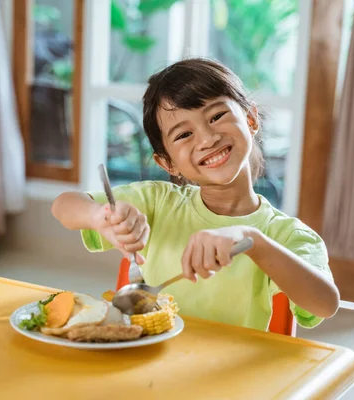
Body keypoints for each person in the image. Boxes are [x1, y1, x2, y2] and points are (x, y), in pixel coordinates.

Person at [51, 58, 339, 331]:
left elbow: (325, 304)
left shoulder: (286, 235)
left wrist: (255, 242)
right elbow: (64, 206)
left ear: (250, 119)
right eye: (183, 135)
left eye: (216, 116)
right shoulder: (156, 202)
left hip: (229, 379)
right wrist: (99, 218)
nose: (207, 138)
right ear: (167, 163)